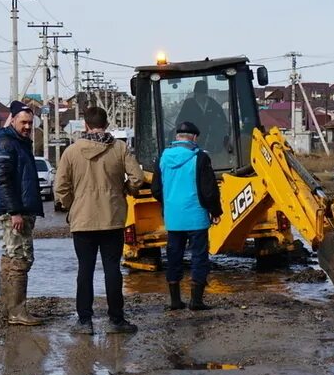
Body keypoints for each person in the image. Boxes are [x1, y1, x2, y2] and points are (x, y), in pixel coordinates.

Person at [54, 106, 144, 335]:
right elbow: (138, 178)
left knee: (84, 270)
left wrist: (72, 204)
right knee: (112, 269)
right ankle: (116, 320)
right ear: (107, 124)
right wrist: (125, 189)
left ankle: (85, 321)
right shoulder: (120, 149)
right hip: (112, 218)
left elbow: (60, 187)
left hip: (82, 220)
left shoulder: (72, 152)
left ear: (85, 125)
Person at [150, 120, 222, 311]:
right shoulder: (200, 157)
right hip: (196, 216)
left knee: (174, 256)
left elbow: (156, 189)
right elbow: (209, 190)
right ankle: (196, 301)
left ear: (176, 138)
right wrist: (215, 211)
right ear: (195, 138)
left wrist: (169, 203)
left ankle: (175, 301)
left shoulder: (163, 157)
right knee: (199, 257)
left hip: (173, 218)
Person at [0, 101, 44, 326]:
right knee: (21, 258)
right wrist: (15, 212)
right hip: (15, 211)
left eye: (30, 123)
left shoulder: (19, 142)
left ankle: (9, 308)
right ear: (12, 120)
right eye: (23, 122)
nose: (27, 127)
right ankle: (17, 311)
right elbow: (3, 180)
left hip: (19, 209)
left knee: (11, 257)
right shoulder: (6, 143)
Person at [174, 80, 228, 148]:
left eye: (203, 94)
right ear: (195, 93)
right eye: (199, 94)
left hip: (212, 141)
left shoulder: (213, 103)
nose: (201, 96)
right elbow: (180, 120)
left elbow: (223, 120)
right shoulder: (188, 104)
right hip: (193, 141)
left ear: (206, 94)